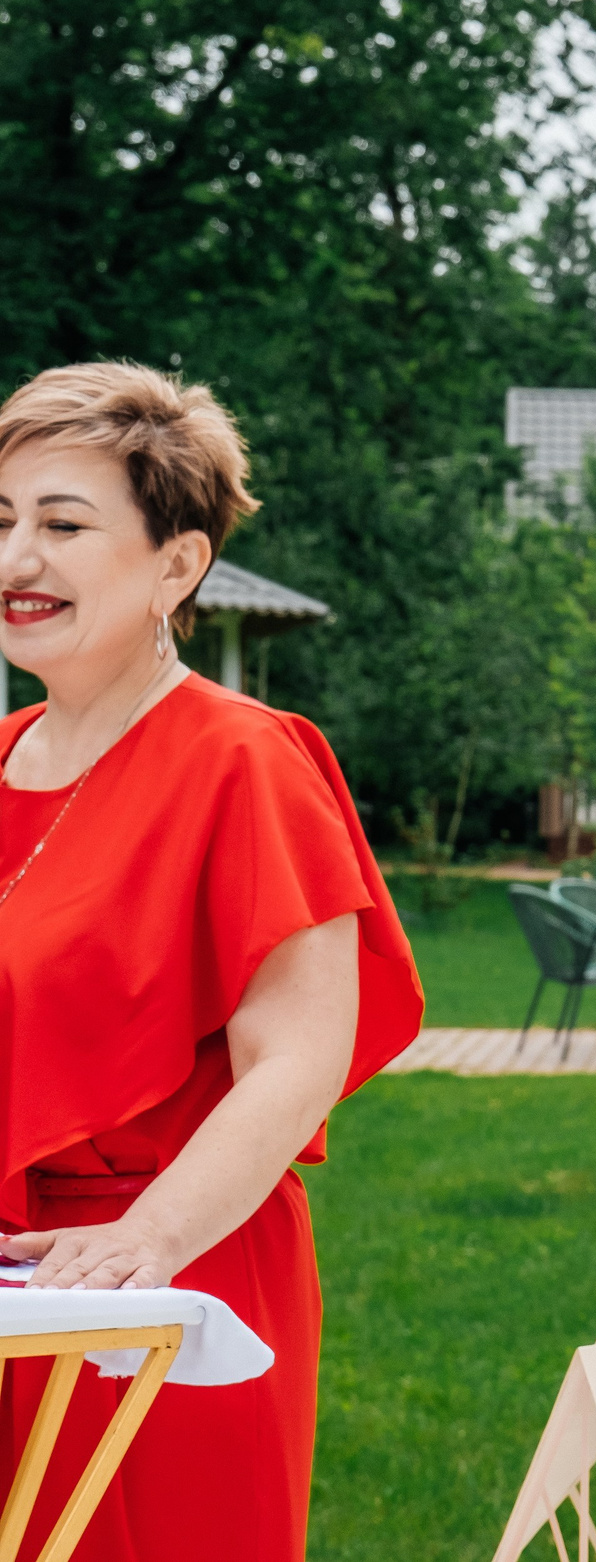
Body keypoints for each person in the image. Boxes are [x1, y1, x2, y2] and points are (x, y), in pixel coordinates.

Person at [0, 364, 423, 1561]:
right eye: (2, 518)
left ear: (177, 566)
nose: (18, 557)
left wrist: (149, 1241)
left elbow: (298, 1055)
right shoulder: (2, 758)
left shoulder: (247, 760)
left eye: (64, 524)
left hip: (160, 1280)